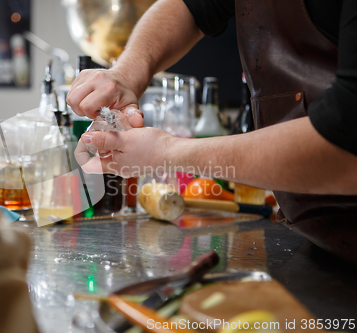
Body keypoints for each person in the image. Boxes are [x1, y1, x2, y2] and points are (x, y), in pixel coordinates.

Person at [67, 0, 357, 263]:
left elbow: (344, 147)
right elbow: (190, 7)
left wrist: (167, 152)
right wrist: (125, 74)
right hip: (319, 241)